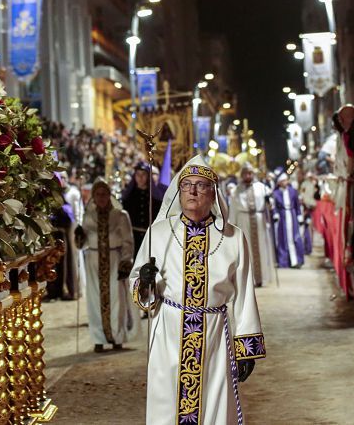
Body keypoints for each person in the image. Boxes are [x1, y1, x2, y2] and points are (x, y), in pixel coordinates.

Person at [131, 155, 264, 424]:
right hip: (169, 334)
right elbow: (139, 287)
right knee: (167, 405)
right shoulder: (158, 233)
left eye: (201, 185)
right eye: (186, 185)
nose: (192, 191)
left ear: (213, 194)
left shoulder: (233, 237)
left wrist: (245, 347)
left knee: (214, 407)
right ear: (178, 191)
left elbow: (244, 297)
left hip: (215, 337)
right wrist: (144, 282)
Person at [75, 180, 134, 351]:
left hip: (114, 260)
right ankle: (98, 338)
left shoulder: (120, 215)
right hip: (93, 262)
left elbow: (128, 241)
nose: (101, 198)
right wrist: (78, 236)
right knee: (94, 300)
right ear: (93, 197)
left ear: (110, 195)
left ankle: (117, 337)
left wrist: (126, 261)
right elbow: (82, 243)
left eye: (104, 194)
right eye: (97, 194)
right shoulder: (88, 216)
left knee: (117, 299)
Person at [231, 163, 274, 287]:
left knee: (261, 248)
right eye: (245, 173)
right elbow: (233, 208)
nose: (248, 175)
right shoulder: (236, 190)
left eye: (250, 173)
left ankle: (262, 278)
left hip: (259, 220)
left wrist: (269, 202)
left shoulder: (262, 188)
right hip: (243, 221)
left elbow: (270, 204)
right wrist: (232, 225)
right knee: (246, 249)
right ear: (242, 175)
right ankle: (249, 279)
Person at [120, 162, 164, 256]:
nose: (140, 177)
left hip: (150, 238)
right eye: (138, 174)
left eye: (143, 174)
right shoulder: (128, 197)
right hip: (133, 238)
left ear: (148, 176)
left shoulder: (156, 197)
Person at [272, 173, 304, 268]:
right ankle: (284, 261)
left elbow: (297, 204)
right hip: (282, 216)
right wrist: (275, 214)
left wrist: (299, 215)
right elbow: (274, 206)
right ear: (279, 183)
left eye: (286, 180)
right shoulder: (276, 193)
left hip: (292, 215)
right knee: (283, 238)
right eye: (283, 181)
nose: (285, 182)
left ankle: (296, 260)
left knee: (294, 237)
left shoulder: (293, 191)